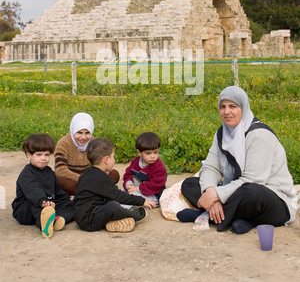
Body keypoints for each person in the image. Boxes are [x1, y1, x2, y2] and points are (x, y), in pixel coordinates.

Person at [179, 86, 297, 234]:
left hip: (272, 200)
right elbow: (210, 167)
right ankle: (241, 220)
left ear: (243, 108)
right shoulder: (222, 133)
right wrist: (210, 192)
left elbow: (254, 180)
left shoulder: (259, 135)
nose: (226, 112)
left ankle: (206, 216)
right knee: (190, 184)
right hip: (236, 191)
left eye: (232, 106)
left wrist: (217, 195)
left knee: (251, 192)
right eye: (222, 107)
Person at [73, 138, 156, 232]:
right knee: (113, 206)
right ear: (106, 159)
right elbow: (118, 196)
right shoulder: (101, 178)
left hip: (82, 216)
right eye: (113, 156)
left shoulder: (86, 173)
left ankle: (112, 223)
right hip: (89, 220)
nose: (114, 160)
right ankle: (134, 216)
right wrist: (142, 201)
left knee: (111, 203)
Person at [12, 134, 74, 239]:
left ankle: (55, 220)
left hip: (49, 205)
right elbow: (33, 190)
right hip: (27, 210)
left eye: (46, 154)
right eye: (39, 155)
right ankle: (44, 225)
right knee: (34, 204)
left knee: (74, 207)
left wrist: (67, 201)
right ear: (29, 155)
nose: (43, 158)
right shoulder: (27, 173)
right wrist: (43, 201)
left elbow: (58, 192)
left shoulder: (49, 172)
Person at [54, 112, 119, 195]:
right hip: (73, 179)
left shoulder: (93, 142)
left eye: (87, 133)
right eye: (79, 133)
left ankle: (91, 191)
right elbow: (60, 170)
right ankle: (96, 191)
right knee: (61, 181)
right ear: (73, 130)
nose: (83, 137)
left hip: (89, 178)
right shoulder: (64, 143)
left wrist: (95, 178)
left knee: (114, 174)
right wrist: (82, 179)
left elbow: (101, 164)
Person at [123, 132, 167, 207]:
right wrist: (129, 185)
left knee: (133, 196)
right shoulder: (135, 161)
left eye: (155, 152)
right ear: (139, 152)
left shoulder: (159, 167)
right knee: (122, 192)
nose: (152, 156)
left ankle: (127, 208)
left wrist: (137, 189)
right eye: (148, 153)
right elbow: (128, 174)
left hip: (153, 195)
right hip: (136, 189)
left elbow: (155, 185)